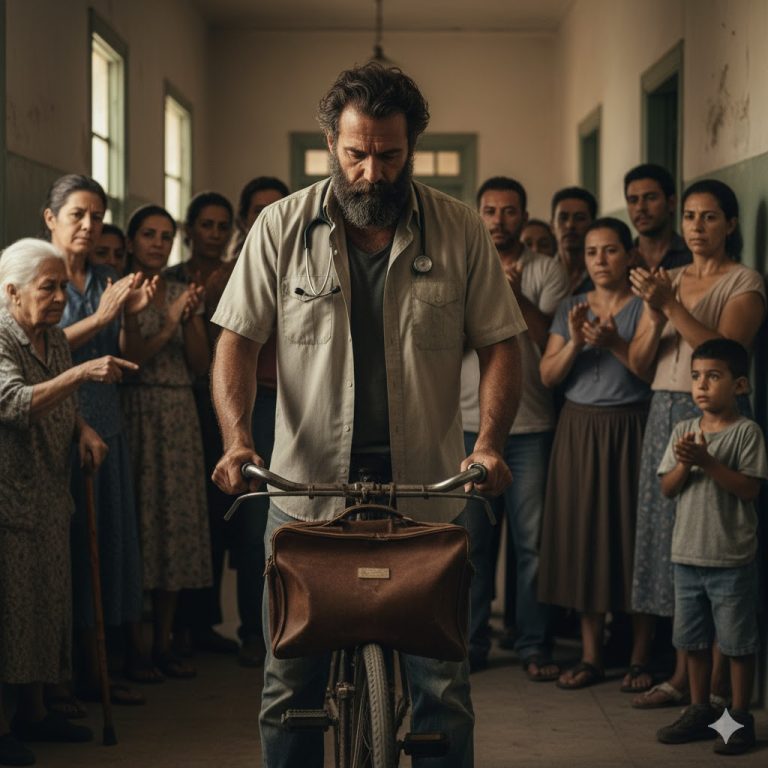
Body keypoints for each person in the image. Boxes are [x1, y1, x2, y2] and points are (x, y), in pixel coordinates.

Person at [210, 62, 525, 768]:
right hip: (307, 493)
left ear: (411, 145)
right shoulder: (280, 227)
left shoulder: (460, 229)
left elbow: (503, 347)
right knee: (289, 688)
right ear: (332, 143)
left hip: (425, 497)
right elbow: (236, 342)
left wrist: (492, 443)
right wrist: (236, 441)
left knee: (442, 689)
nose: (372, 173)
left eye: (388, 154)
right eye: (356, 153)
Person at [628, 179, 766, 709]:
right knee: (673, 543)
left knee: (718, 549)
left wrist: (672, 305)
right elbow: (642, 365)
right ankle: (687, 682)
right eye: (689, 216)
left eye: (710, 217)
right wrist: (659, 308)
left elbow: (725, 352)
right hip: (666, 409)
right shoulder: (671, 278)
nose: (697, 227)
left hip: (712, 416)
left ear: (730, 224)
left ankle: (723, 700)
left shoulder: (745, 282)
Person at [0, 238, 137, 766]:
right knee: (13, 610)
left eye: (62, 286)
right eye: (48, 288)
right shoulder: (4, 339)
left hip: (50, 493)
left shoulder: (53, 339)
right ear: (12, 292)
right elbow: (13, 403)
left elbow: (63, 398)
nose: (60, 297)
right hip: (11, 496)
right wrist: (82, 371)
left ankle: (35, 709)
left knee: (48, 604)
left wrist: (82, 428)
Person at [44, 174, 153, 712]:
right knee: (64, 553)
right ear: (51, 220)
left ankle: (97, 667)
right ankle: (57, 679)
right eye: (77, 216)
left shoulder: (107, 276)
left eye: (97, 217)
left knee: (106, 545)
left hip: (107, 419)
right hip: (57, 419)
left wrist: (126, 319)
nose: (89, 227)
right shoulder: (35, 274)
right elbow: (39, 348)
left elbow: (125, 354)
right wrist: (103, 317)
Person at [537, 218, 651, 691]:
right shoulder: (572, 306)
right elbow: (548, 375)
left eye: (609, 251)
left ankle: (641, 658)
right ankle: (590, 656)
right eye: (591, 252)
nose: (600, 260)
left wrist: (615, 343)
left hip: (631, 426)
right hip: (579, 428)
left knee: (634, 536)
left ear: (629, 256)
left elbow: (647, 372)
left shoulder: (646, 308)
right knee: (584, 535)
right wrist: (578, 343)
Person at [461, 177, 568, 676]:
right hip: (466, 424)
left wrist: (514, 296)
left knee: (533, 542)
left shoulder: (548, 270)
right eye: (490, 210)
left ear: (524, 217)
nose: (498, 221)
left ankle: (532, 644)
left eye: (508, 212)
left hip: (531, 427)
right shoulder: (461, 263)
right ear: (477, 214)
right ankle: (471, 641)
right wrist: (488, 296)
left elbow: (551, 342)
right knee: (472, 542)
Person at [656, 339, 766, 754]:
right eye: (696, 376)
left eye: (714, 376)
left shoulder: (746, 433)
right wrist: (687, 462)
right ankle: (700, 710)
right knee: (692, 640)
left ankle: (737, 718)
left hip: (731, 559)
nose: (702, 385)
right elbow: (667, 488)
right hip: (686, 556)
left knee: (738, 643)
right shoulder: (684, 431)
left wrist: (708, 463)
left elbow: (750, 490)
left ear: (739, 385)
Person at [120, 205, 212, 680]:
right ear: (132, 241)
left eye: (165, 235)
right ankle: (136, 644)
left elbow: (199, 366)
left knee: (175, 524)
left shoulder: (179, 291)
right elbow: (130, 359)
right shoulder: (121, 292)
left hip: (178, 414)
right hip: (136, 411)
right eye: (148, 235)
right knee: (139, 525)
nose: (158, 243)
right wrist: (172, 318)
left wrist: (190, 319)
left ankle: (166, 641)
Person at [166, 192, 241, 657]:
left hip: (224, 403)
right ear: (189, 230)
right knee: (182, 512)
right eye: (205, 225)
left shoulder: (237, 273)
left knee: (216, 514)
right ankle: (175, 627)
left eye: (221, 226)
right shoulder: (170, 279)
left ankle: (205, 620)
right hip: (178, 403)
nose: (213, 234)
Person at [624, 164, 691, 271]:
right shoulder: (622, 259)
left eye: (650, 198)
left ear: (671, 203)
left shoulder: (692, 255)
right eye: (633, 200)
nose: (640, 207)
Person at [550, 186, 597, 294]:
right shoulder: (542, 273)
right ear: (552, 226)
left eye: (579, 218)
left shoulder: (602, 272)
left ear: (593, 225)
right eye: (563, 218)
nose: (570, 225)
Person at [231, 176, 290, 257]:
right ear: (244, 220)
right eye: (260, 211)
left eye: (277, 211)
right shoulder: (234, 267)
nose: (270, 218)